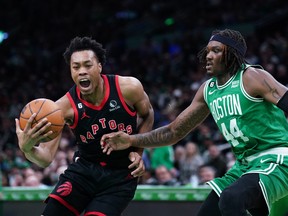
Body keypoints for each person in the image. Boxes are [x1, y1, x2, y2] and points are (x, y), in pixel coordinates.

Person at [101, 29, 288, 216]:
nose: (208, 56)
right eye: (207, 51)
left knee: (231, 198)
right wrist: (131, 140)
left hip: (275, 158)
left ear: (232, 54)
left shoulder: (251, 76)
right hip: (245, 166)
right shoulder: (208, 90)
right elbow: (173, 132)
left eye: (216, 50)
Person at [15, 36, 154, 216]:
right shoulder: (62, 108)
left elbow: (147, 114)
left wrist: (138, 151)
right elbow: (45, 158)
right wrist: (27, 148)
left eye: (87, 65)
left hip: (120, 177)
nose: (82, 71)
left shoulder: (129, 88)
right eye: (76, 67)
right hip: (83, 172)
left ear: (99, 67)